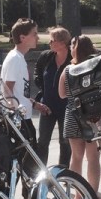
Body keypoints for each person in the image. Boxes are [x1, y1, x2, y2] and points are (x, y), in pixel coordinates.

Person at [2, 19, 49, 199]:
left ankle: (29, 196)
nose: (38, 37)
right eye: (34, 34)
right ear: (22, 37)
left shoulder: (19, 58)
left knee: (28, 161)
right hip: (19, 120)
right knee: (23, 161)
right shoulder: (14, 59)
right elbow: (7, 90)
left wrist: (34, 104)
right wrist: (16, 113)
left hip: (25, 117)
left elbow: (19, 93)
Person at [58, 35, 101, 199]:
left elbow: (61, 94)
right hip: (94, 116)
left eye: (72, 45)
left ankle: (78, 196)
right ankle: (92, 195)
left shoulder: (67, 70)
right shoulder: (96, 66)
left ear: (75, 48)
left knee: (76, 157)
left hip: (73, 114)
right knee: (93, 158)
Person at [33, 27, 72, 167]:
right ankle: (41, 171)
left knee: (65, 142)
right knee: (42, 141)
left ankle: (63, 171)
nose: (49, 43)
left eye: (52, 40)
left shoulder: (73, 59)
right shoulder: (46, 57)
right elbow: (37, 73)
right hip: (47, 106)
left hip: (67, 108)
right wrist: (42, 87)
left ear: (62, 43)